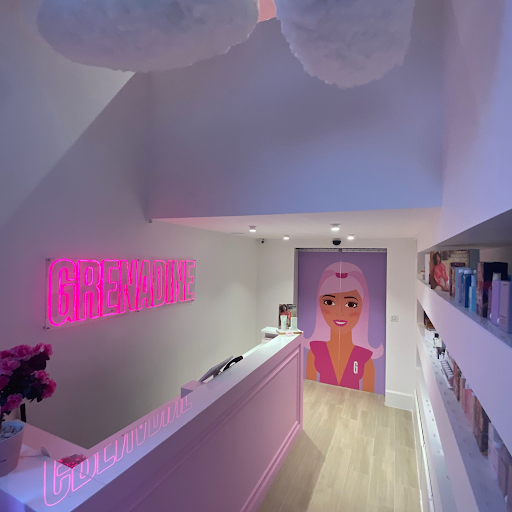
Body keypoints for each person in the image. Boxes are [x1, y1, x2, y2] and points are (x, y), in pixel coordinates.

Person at [305, 262, 383, 392]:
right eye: (329, 302)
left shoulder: (365, 359)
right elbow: (309, 390)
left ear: (362, 307)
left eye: (351, 304)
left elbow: (369, 397)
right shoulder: (314, 352)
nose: (339, 313)